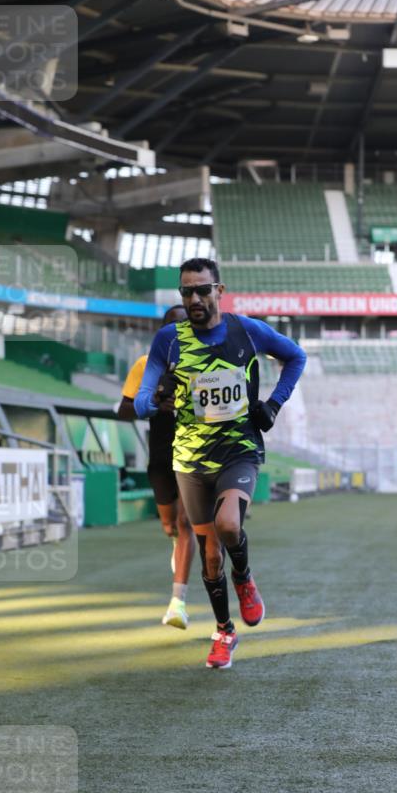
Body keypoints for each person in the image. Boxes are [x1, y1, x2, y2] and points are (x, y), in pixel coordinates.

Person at [135, 257, 306, 670]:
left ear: (219, 291)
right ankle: (223, 631)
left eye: (202, 290)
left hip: (238, 450)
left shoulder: (245, 330)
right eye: (186, 291)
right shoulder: (168, 340)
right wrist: (154, 400)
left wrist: (274, 404)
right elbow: (141, 399)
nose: (194, 298)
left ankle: (244, 579)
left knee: (229, 526)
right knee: (210, 555)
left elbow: (295, 357)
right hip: (190, 460)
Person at [117, 303, 196, 629]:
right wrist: (152, 404)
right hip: (161, 454)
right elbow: (123, 410)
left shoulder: (201, 364)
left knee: (185, 522)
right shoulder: (145, 365)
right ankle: (175, 542)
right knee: (169, 525)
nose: (179, 332)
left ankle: (177, 602)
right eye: (173, 327)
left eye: (184, 326)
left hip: (193, 454)